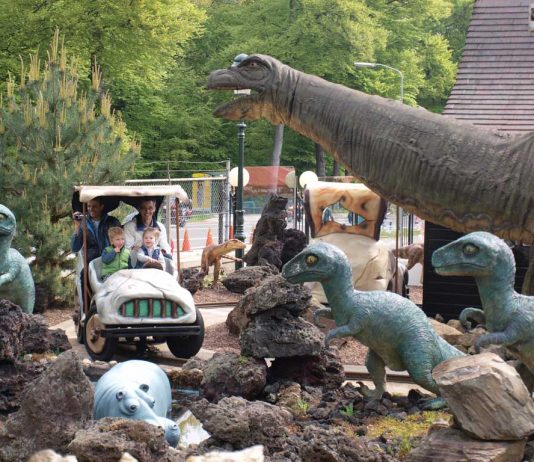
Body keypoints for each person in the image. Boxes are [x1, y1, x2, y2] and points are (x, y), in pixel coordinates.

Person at [71, 197, 121, 263]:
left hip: (111, 261)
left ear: (101, 207)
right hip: (92, 264)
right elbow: (75, 248)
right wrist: (77, 225)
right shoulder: (83, 224)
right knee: (82, 273)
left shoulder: (113, 222)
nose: (91, 209)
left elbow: (120, 243)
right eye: (89, 206)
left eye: (94, 206)